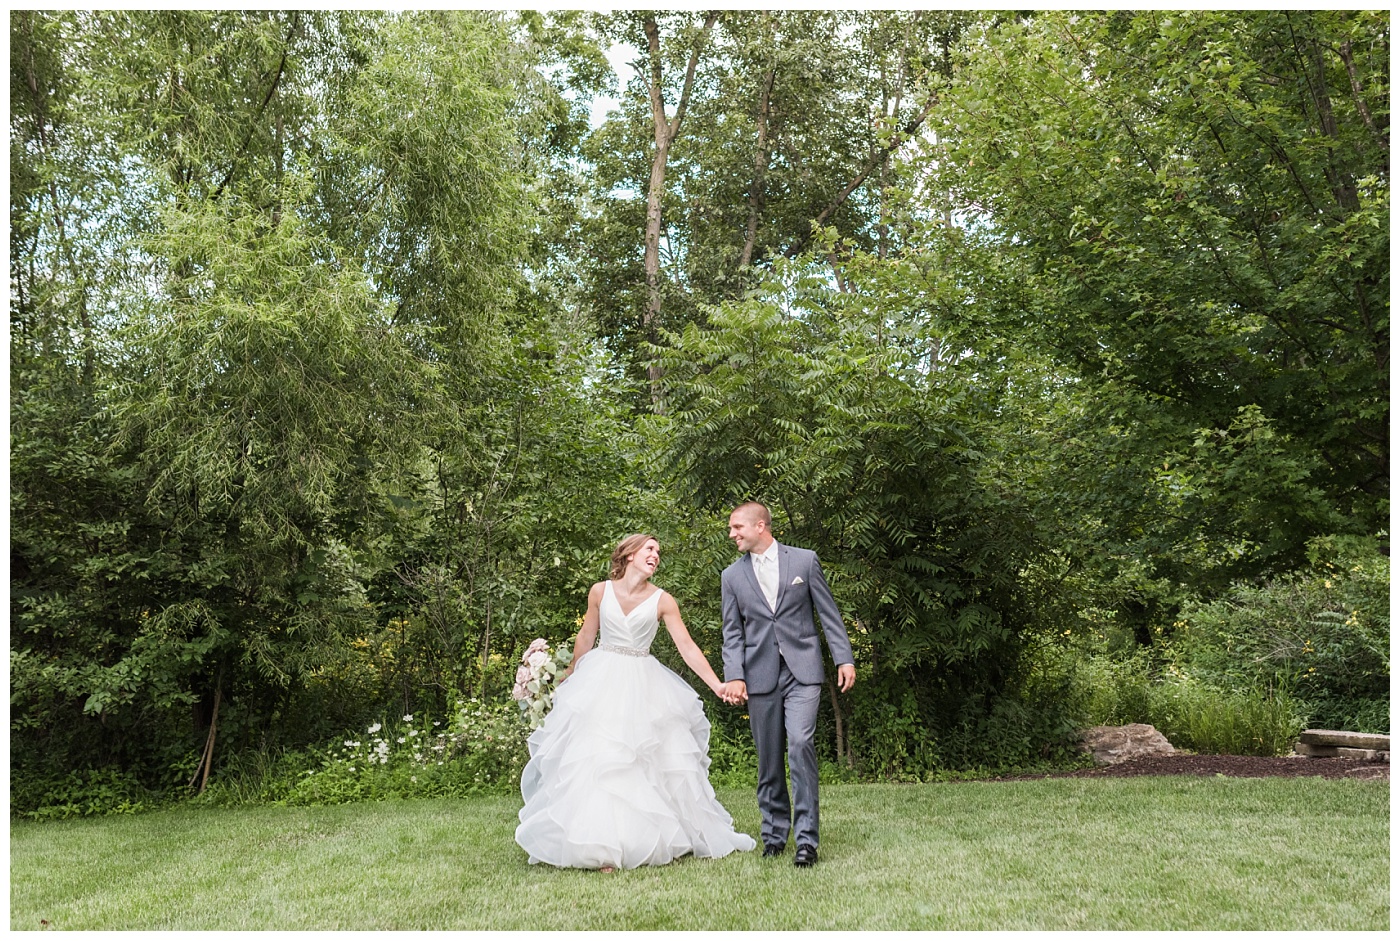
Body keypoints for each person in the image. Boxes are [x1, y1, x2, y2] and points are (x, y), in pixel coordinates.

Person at [515, 533, 756, 871]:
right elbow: (587, 635)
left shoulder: (663, 601)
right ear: (629, 554)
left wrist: (716, 684)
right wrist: (567, 674)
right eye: (650, 549)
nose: (656, 555)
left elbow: (687, 648)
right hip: (601, 677)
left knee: (643, 761)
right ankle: (601, 847)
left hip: (644, 682)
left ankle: (643, 839)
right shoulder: (600, 592)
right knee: (600, 759)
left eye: (658, 552)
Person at [718, 502, 855, 868]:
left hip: (803, 672)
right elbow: (732, 634)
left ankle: (806, 841)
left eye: (736, 527)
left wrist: (844, 657)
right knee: (768, 761)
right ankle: (775, 834)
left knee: (800, 743)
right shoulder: (731, 577)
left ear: (759, 525)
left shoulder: (804, 561)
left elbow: (828, 612)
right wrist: (735, 674)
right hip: (760, 675)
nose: (732, 534)